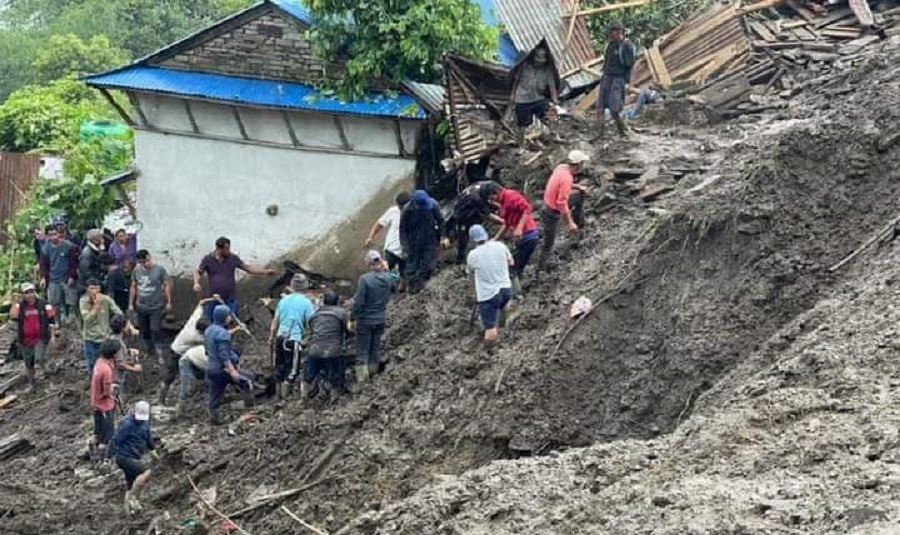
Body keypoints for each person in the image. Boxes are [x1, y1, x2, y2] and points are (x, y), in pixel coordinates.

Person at [194, 237, 275, 320]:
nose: (229, 251)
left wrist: (265, 272)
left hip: (229, 299)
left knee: (230, 320)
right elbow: (198, 271)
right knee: (209, 320)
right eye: (226, 249)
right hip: (213, 299)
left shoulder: (233, 258)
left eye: (229, 248)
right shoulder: (208, 259)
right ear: (219, 249)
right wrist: (196, 282)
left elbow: (248, 268)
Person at [538, 150, 591, 272]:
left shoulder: (561, 168)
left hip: (550, 203)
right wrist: (569, 223)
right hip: (551, 211)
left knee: (578, 195)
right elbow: (561, 203)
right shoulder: (567, 178)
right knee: (548, 243)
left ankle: (579, 224)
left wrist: (579, 187)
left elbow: (562, 184)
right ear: (578, 164)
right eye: (582, 163)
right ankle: (541, 270)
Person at [160, 298, 214, 410]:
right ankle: (161, 400)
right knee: (169, 378)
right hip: (176, 353)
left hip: (183, 351)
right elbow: (212, 339)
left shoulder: (193, 320)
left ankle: (197, 390)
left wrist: (212, 299)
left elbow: (200, 303)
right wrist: (235, 329)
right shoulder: (195, 337)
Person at [268, 273, 315, 400]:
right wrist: (307, 339)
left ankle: (278, 394)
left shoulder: (283, 300)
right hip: (293, 340)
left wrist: (271, 337)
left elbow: (275, 321)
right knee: (292, 369)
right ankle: (285, 396)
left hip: (280, 337)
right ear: (305, 287)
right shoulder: (307, 303)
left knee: (279, 366)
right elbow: (312, 323)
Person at [352, 251, 395, 384]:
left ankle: (362, 381)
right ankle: (373, 376)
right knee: (375, 348)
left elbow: (359, 302)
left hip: (365, 320)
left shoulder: (364, 279)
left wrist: (353, 317)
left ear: (368, 263)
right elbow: (395, 283)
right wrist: (387, 269)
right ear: (380, 262)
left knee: (362, 350)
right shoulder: (388, 277)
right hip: (380, 319)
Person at [205, 304, 253, 424]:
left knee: (215, 394)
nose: (230, 318)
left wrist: (236, 329)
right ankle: (249, 411)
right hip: (222, 370)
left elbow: (207, 350)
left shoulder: (209, 330)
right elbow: (224, 355)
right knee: (247, 380)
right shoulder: (223, 334)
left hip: (211, 369)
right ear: (223, 317)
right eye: (229, 316)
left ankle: (214, 419)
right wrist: (232, 371)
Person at [466, 225, 514, 342]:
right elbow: (511, 262)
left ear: (473, 240)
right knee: (504, 306)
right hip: (506, 289)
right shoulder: (500, 246)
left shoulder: (473, 255)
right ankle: (504, 332)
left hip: (488, 295)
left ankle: (489, 351)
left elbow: (470, 270)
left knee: (490, 328)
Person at [302, 290, 352, 403]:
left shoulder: (314, 315)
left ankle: (304, 396)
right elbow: (349, 330)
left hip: (315, 350)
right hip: (334, 351)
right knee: (337, 376)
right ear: (337, 301)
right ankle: (334, 398)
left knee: (309, 375)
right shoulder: (342, 313)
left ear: (323, 302)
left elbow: (311, 331)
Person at [487, 186, 540, 292]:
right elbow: (507, 223)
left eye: (491, 198)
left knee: (514, 267)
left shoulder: (511, 196)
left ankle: (517, 293)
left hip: (529, 235)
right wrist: (495, 238)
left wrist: (519, 228)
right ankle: (516, 290)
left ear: (496, 192)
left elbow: (527, 208)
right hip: (521, 238)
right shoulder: (502, 203)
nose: (491, 201)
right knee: (514, 265)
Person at [109, 400, 156, 514]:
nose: (140, 420)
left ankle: (130, 510)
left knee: (132, 484)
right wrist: (108, 457)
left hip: (135, 457)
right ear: (134, 411)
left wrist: (153, 449)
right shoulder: (127, 424)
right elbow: (115, 440)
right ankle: (131, 497)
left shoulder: (145, 422)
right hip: (124, 457)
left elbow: (148, 436)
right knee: (146, 471)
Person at [9, 283, 57, 392]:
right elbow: (12, 316)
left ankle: (44, 375)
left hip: (41, 338)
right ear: (23, 294)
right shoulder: (20, 306)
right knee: (28, 364)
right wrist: (16, 302)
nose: (29, 295)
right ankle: (32, 385)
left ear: (35, 292)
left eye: (31, 291)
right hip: (25, 340)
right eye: (26, 293)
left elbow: (52, 320)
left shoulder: (44, 304)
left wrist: (53, 336)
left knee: (38, 360)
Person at [399, 190, 447, 294]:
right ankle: (411, 288)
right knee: (412, 266)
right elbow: (402, 230)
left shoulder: (433, 204)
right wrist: (405, 246)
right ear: (415, 204)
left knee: (429, 264)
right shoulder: (407, 211)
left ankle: (423, 284)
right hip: (413, 242)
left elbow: (441, 220)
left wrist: (443, 236)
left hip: (430, 238)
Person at [130, 250, 172, 363]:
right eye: (141, 263)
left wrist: (169, 301)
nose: (144, 264)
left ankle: (160, 352)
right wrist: (131, 303)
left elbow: (166, 285)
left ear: (150, 257)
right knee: (144, 330)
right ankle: (148, 350)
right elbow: (133, 286)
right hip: (141, 305)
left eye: (146, 261)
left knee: (155, 328)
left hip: (156, 306)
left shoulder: (159, 270)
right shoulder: (136, 271)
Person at [596, 22, 636, 139]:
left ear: (619, 32)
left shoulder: (626, 46)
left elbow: (629, 65)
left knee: (614, 109)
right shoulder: (610, 45)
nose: (610, 36)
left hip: (618, 79)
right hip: (606, 77)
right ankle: (600, 134)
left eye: (611, 33)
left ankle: (623, 132)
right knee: (600, 108)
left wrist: (627, 82)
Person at [449, 181, 502, 264]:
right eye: (494, 196)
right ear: (490, 193)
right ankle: (460, 259)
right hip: (462, 215)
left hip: (472, 208)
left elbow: (490, 201)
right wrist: (505, 222)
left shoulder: (482, 186)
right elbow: (489, 215)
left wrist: (501, 206)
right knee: (463, 237)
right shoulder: (476, 198)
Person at [365, 191, 411, 286]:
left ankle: (400, 291)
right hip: (391, 249)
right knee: (384, 272)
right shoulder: (393, 211)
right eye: (399, 207)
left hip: (406, 250)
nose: (400, 209)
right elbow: (379, 224)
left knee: (405, 276)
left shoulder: (414, 212)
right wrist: (371, 237)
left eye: (402, 207)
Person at [80, 278, 124, 375]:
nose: (94, 291)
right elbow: (87, 320)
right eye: (92, 288)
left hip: (104, 338)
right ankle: (93, 384)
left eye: (97, 289)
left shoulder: (106, 299)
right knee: (91, 364)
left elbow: (119, 313)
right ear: (87, 289)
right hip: (90, 338)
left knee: (105, 364)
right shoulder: (83, 301)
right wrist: (96, 307)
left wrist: (115, 325)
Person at [39, 225, 79, 324]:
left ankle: (71, 320)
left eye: (55, 234)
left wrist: (71, 276)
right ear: (47, 236)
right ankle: (56, 322)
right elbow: (43, 264)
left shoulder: (69, 246)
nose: (54, 237)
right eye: (50, 235)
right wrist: (43, 277)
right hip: (53, 279)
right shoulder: (45, 249)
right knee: (54, 302)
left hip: (66, 277)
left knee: (71, 301)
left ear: (59, 234)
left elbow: (73, 263)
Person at [514, 46, 559, 128]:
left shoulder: (547, 70)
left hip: (538, 99)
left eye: (541, 61)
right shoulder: (525, 66)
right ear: (533, 58)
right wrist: (512, 96)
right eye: (537, 60)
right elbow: (516, 81)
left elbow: (552, 86)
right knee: (523, 124)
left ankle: (550, 133)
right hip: (522, 99)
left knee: (547, 115)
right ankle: (521, 138)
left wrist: (554, 99)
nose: (539, 63)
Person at [89, 340, 120, 462]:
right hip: (105, 406)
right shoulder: (106, 370)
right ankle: (102, 461)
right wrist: (112, 387)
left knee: (97, 432)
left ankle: (92, 452)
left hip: (96, 404)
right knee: (106, 437)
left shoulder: (99, 363)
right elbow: (107, 392)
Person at [78, 229, 105, 296]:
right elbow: (87, 272)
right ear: (94, 240)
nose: (102, 239)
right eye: (100, 237)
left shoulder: (95, 250)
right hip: (88, 288)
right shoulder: (87, 253)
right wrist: (98, 284)